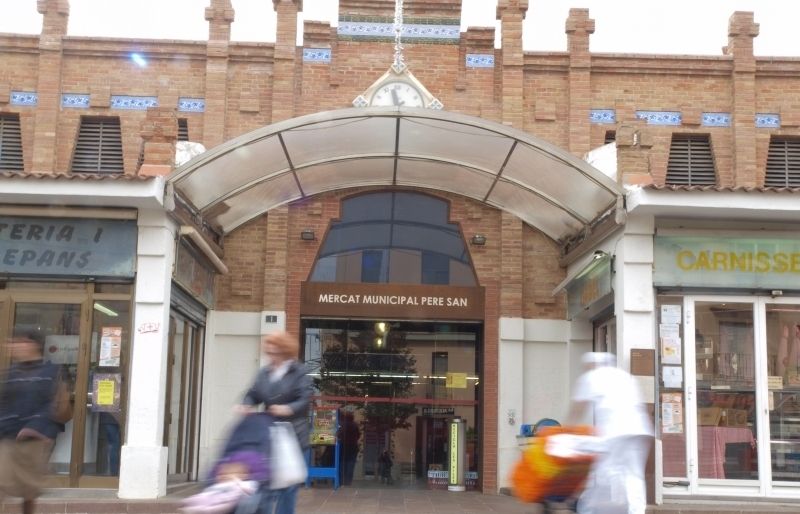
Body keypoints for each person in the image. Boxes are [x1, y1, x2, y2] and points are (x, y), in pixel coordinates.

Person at [568, 352, 653, 514]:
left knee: (604, 470)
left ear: (591, 364)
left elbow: (578, 408)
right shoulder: (625, 377)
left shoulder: (591, 376)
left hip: (616, 432)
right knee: (634, 474)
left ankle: (588, 510)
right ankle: (636, 510)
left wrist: (566, 430)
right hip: (639, 430)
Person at [238, 332, 311, 514]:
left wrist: (289, 408)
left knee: (288, 484)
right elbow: (253, 393)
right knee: (266, 480)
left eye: (275, 351)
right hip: (268, 433)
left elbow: (305, 397)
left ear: (285, 350)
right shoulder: (264, 372)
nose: (271, 355)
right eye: (269, 351)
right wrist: (246, 405)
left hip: (294, 434)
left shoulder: (299, 371)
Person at [0, 331, 65, 514]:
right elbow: (4, 402)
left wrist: (35, 427)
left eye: (19, 343)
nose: (14, 347)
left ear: (32, 345)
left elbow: (53, 402)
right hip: (9, 437)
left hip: (35, 439)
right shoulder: (12, 372)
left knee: (29, 491)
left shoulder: (50, 371)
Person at [337, 412, 360, 485]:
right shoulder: (355, 425)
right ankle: (348, 481)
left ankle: (341, 481)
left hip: (343, 446)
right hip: (353, 447)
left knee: (341, 464)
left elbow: (338, 435)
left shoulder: (342, 425)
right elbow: (358, 435)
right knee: (350, 465)